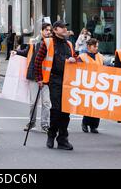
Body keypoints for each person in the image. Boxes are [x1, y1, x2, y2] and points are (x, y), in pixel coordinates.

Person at [34, 21, 77, 151]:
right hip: (53, 80)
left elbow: (76, 58)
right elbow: (38, 61)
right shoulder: (47, 43)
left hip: (68, 81)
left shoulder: (69, 44)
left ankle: (63, 139)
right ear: (55, 29)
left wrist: (75, 59)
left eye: (65, 27)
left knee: (66, 110)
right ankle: (52, 134)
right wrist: (39, 79)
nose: (65, 30)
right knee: (56, 109)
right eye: (62, 27)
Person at [12, 23, 52, 133]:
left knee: (46, 103)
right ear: (41, 31)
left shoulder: (52, 44)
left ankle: (45, 124)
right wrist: (17, 52)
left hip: (46, 78)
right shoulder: (34, 42)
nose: (48, 32)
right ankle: (31, 122)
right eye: (46, 30)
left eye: (50, 30)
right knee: (33, 102)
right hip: (34, 76)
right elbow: (27, 52)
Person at [79, 38, 103, 134]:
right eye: (94, 46)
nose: (96, 48)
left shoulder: (100, 56)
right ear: (89, 47)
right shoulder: (82, 57)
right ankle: (85, 123)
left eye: (97, 46)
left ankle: (94, 126)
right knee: (88, 106)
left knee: (97, 106)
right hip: (87, 84)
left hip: (98, 83)